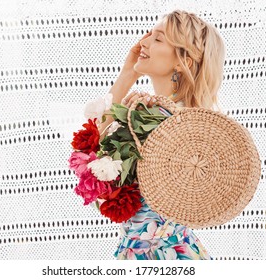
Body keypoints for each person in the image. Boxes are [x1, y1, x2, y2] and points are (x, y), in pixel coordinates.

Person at [99, 9, 226, 260]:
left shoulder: (162, 123)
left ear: (183, 61)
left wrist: (127, 76)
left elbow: (91, 146)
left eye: (157, 39)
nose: (142, 42)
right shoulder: (181, 118)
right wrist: (128, 73)